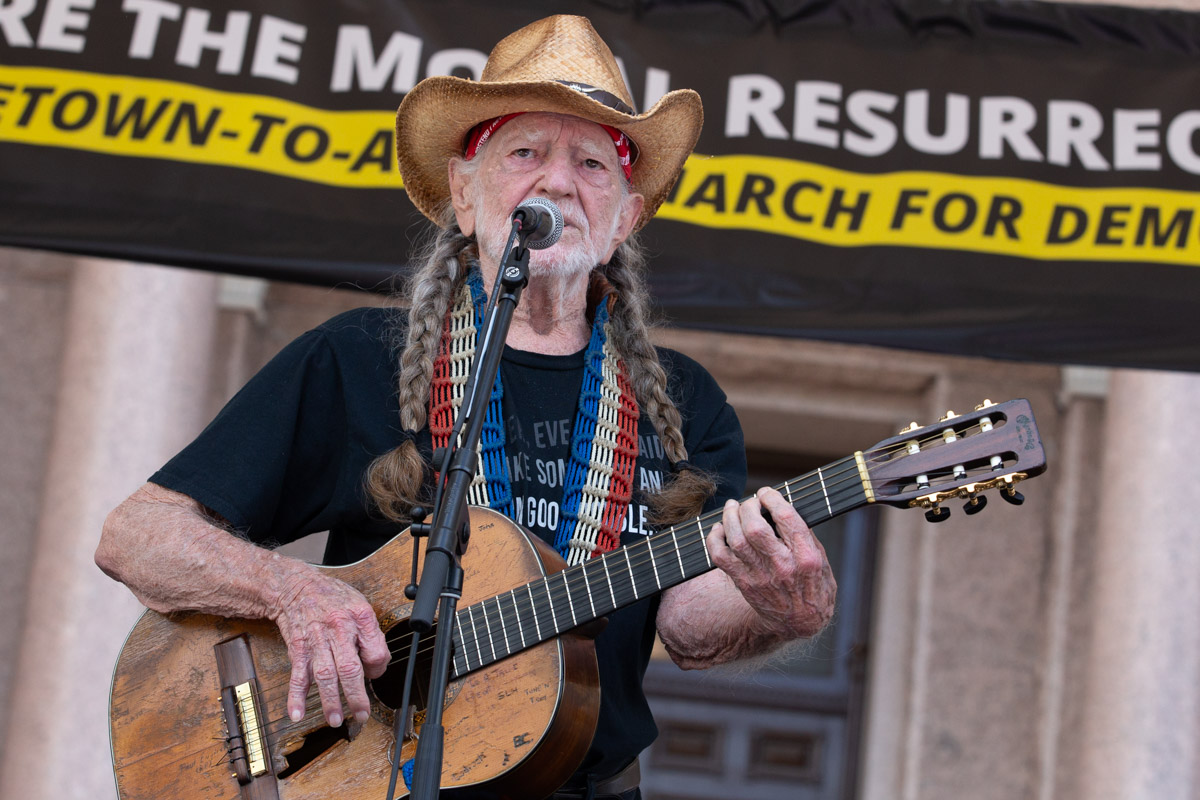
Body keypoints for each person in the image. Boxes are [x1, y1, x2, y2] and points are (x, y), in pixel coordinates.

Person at [95, 14, 836, 800]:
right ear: (464, 192)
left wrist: (788, 609)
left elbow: (689, 627)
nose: (557, 182)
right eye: (525, 153)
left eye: (592, 162)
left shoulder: (686, 405)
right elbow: (138, 535)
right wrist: (292, 593)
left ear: (625, 218)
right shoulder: (356, 359)